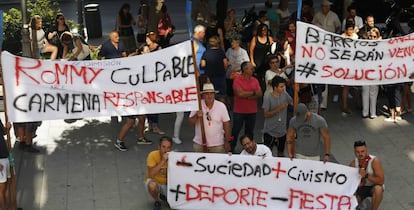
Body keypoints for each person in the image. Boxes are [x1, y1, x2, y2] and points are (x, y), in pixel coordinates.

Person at [188, 83, 231, 153]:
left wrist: (227, 141)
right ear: (203, 95)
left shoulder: (221, 106)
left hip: (217, 144)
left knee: (217, 163)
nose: (209, 96)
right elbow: (190, 122)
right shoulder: (198, 105)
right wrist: (196, 116)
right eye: (207, 94)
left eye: (211, 94)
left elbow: (227, 124)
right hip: (200, 143)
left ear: (214, 94)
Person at [231, 61, 262, 152]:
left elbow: (260, 93)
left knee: (250, 132)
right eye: (251, 68)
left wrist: (246, 95)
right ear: (245, 70)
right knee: (235, 131)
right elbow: (240, 93)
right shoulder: (237, 80)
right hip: (239, 111)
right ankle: (231, 148)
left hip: (252, 111)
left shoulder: (255, 80)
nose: (253, 69)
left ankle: (250, 149)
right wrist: (253, 93)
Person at [263, 76, 293, 157]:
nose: (283, 88)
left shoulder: (285, 95)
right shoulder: (267, 97)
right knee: (267, 153)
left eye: (284, 86)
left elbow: (293, 102)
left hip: (282, 131)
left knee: (281, 152)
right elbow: (266, 114)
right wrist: (279, 109)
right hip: (270, 130)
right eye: (281, 86)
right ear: (275, 87)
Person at [349, 140, 384, 210]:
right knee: (351, 202)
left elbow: (381, 181)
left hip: (372, 186)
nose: (360, 154)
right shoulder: (353, 164)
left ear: (366, 150)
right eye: (358, 152)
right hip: (361, 188)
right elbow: (349, 182)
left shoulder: (374, 161)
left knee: (378, 189)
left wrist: (367, 176)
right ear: (354, 152)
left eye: (362, 151)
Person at [144, 136, 172, 210]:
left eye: (168, 147)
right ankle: (157, 201)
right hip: (155, 181)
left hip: (167, 184)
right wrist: (163, 161)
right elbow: (151, 174)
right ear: (159, 147)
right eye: (163, 147)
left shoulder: (173, 157)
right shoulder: (152, 155)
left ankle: (164, 195)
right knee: (152, 186)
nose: (166, 150)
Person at [200, 36, 228, 103]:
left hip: (210, 77)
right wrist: (224, 70)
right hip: (220, 76)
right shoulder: (221, 52)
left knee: (210, 95)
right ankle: (222, 109)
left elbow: (202, 64)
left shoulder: (206, 53)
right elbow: (225, 64)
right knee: (221, 95)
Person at [361, 28, 381, 119]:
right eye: (371, 36)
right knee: (365, 92)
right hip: (365, 72)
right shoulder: (365, 45)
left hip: (375, 72)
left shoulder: (381, 46)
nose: (372, 38)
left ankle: (373, 112)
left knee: (373, 93)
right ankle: (365, 112)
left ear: (377, 37)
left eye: (374, 36)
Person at [249, 24, 274, 91]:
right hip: (257, 60)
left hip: (266, 61)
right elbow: (251, 50)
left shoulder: (270, 38)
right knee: (258, 77)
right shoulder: (255, 39)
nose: (265, 31)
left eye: (266, 30)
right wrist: (252, 61)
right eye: (263, 30)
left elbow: (273, 49)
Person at [0, 120, 11, 210]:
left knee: (7, 185)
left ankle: (9, 208)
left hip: (5, 156)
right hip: (0, 160)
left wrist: (7, 128)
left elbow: (3, 132)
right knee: (2, 189)